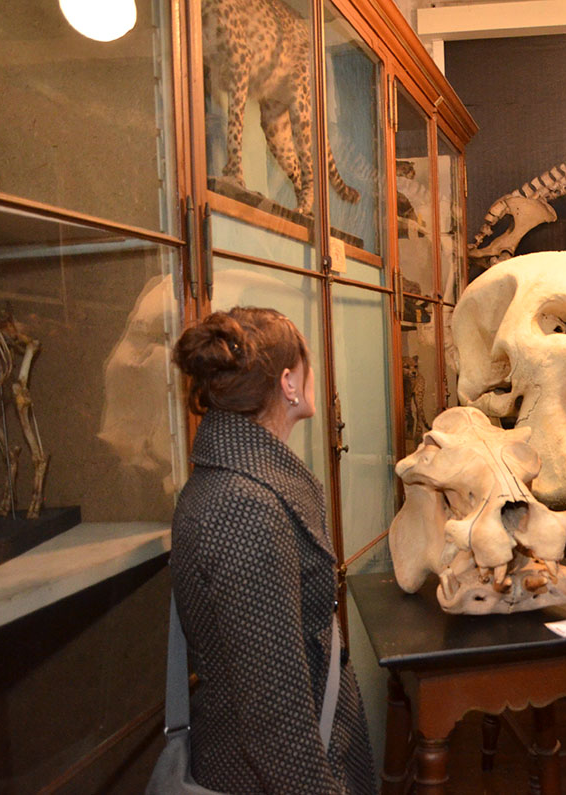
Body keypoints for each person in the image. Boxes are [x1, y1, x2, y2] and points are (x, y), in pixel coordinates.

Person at [170, 307, 376, 794]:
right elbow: (275, 720)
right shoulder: (244, 508)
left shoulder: (246, 483)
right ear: (289, 383)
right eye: (306, 363)